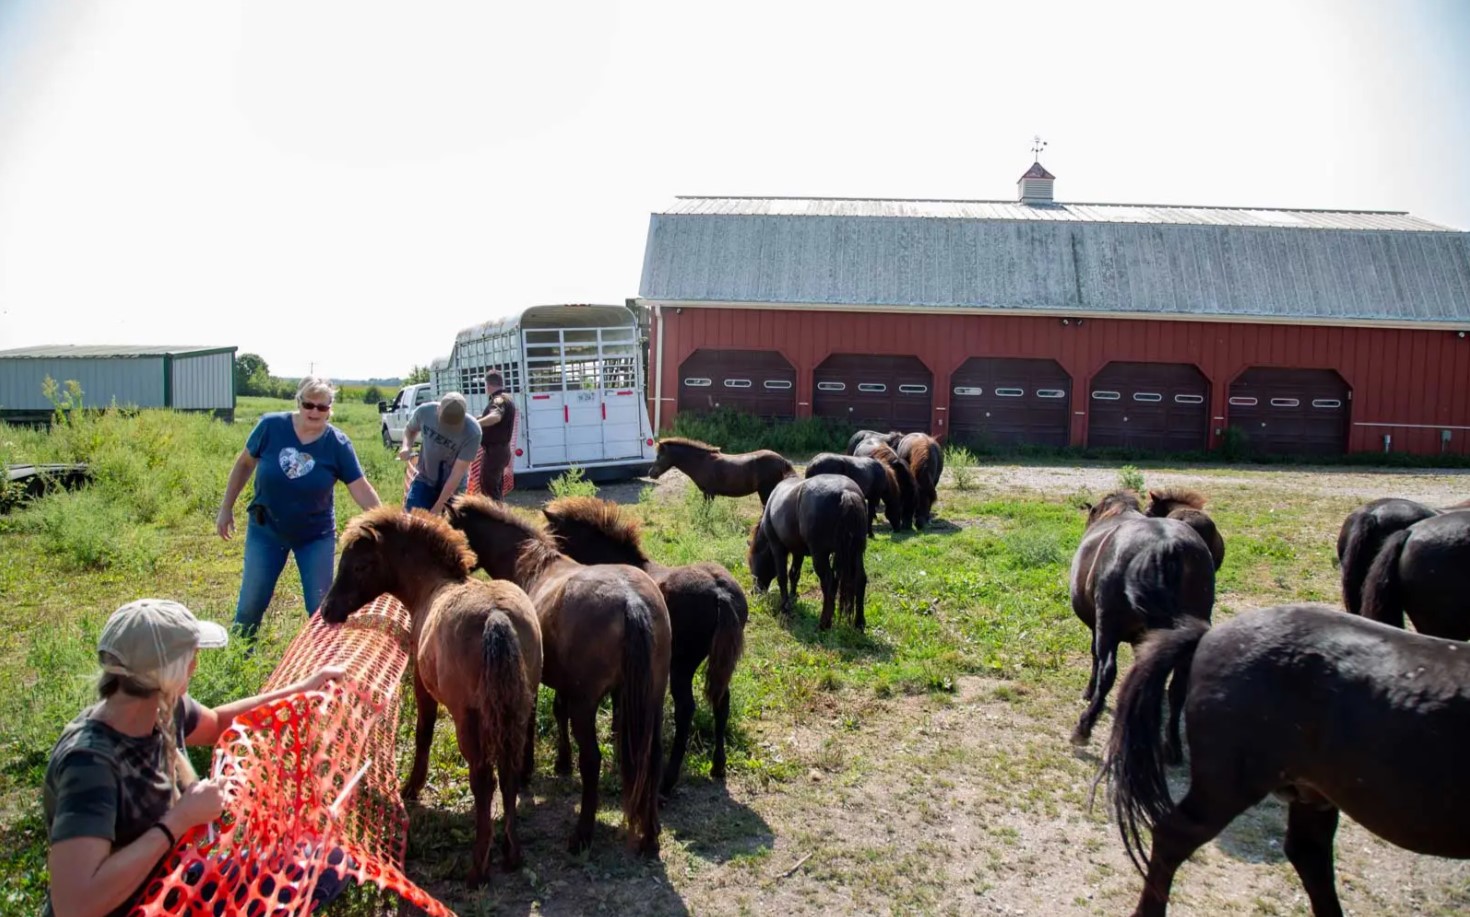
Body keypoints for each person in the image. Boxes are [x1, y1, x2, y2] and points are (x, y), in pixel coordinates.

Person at [43, 599, 346, 917]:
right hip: (139, 906)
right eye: (193, 654)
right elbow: (74, 905)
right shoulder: (89, 765)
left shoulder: (163, 706)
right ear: (171, 672)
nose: (197, 662)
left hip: (177, 881)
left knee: (330, 862)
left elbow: (216, 723)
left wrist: (302, 690)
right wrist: (179, 821)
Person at [216, 377, 381, 636]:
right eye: (309, 405)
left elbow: (360, 487)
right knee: (250, 605)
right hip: (266, 530)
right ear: (298, 402)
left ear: (330, 409)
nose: (314, 412)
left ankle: (324, 662)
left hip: (315, 535)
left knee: (320, 607)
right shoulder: (270, 427)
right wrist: (226, 507)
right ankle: (238, 659)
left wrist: (386, 524)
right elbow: (244, 464)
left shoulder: (338, 444)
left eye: (322, 407)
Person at [400, 391, 481, 514]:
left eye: (453, 426)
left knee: (450, 529)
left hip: (454, 487)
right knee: (411, 521)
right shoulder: (424, 412)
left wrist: (438, 508)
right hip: (425, 479)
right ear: (438, 409)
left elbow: (457, 473)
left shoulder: (473, 432)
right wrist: (406, 446)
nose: (448, 428)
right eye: (445, 423)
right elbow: (410, 429)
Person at [477, 370, 517, 500]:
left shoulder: (498, 400)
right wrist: (479, 418)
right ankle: (499, 515)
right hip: (501, 450)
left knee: (489, 490)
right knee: (495, 488)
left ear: (488, 385)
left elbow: (496, 416)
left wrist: (477, 423)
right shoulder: (507, 398)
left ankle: (494, 517)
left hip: (494, 452)